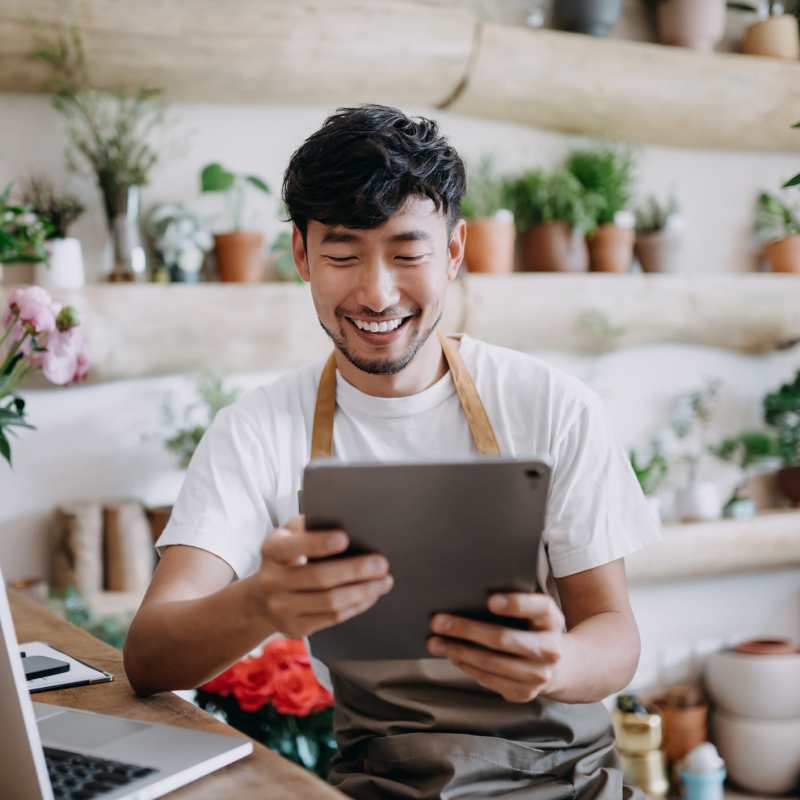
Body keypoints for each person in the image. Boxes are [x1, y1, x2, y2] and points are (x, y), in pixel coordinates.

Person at [124, 104, 661, 799]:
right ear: (300, 255)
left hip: (566, 781)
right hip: (383, 784)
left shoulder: (552, 404)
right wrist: (262, 602)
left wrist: (554, 661)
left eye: (408, 254)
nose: (376, 293)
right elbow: (148, 654)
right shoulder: (255, 430)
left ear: (456, 251)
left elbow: (614, 634)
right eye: (343, 255)